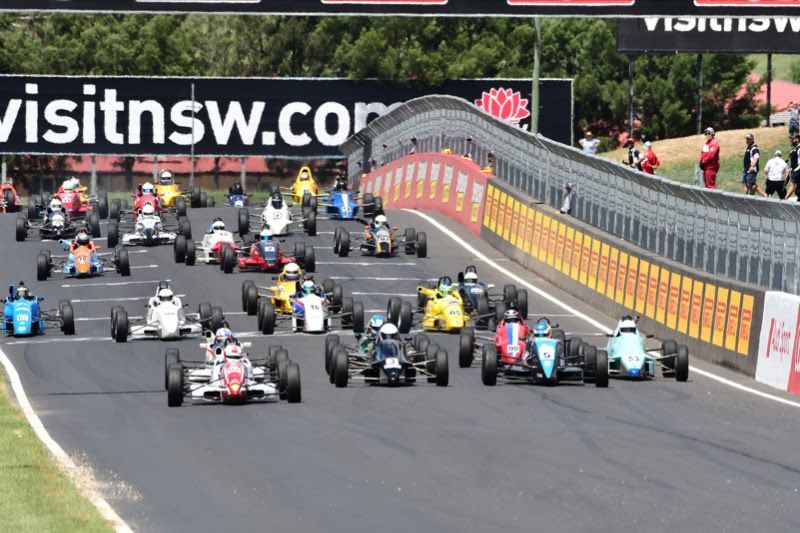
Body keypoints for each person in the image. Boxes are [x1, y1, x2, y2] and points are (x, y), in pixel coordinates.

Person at [785, 135, 800, 200]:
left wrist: (795, 169)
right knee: (797, 188)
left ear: (797, 139)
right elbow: (794, 160)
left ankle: (785, 199)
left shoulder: (799, 148)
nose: (791, 140)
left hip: (798, 169)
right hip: (795, 169)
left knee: (792, 184)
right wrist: (791, 168)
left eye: (792, 139)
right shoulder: (795, 148)